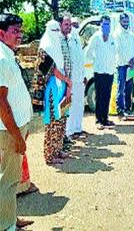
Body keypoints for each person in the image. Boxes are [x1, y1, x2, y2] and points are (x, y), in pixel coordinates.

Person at [0, 14, 34, 230]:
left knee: (11, 179)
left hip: (17, 127)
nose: (20, 35)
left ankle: (10, 217)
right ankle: (6, 225)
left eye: (21, 31)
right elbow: (1, 103)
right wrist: (17, 136)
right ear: (1, 33)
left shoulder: (7, 54)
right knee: (8, 180)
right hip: (10, 131)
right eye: (15, 31)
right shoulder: (2, 59)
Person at [37, 17, 72, 165]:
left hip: (62, 85)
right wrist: (66, 80)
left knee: (61, 118)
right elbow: (53, 70)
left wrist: (66, 83)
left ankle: (58, 149)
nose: (57, 33)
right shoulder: (45, 46)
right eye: (54, 30)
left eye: (57, 30)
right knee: (53, 120)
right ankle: (50, 155)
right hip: (52, 87)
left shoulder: (56, 44)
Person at [85, 15, 116, 129]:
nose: (106, 26)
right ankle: (98, 120)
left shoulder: (112, 38)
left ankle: (105, 118)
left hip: (109, 71)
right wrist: (96, 60)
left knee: (107, 95)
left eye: (108, 24)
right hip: (99, 71)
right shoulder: (96, 37)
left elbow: (115, 52)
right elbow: (88, 53)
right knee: (99, 95)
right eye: (104, 24)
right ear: (100, 24)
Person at [66, 17, 87, 140]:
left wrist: (84, 75)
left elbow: (81, 60)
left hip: (79, 78)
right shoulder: (67, 39)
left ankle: (78, 128)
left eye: (76, 24)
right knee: (72, 106)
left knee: (80, 104)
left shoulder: (78, 39)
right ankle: (70, 131)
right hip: (72, 78)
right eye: (73, 24)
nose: (75, 27)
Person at [113, 13, 134, 120]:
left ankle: (128, 109)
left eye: (127, 21)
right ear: (120, 22)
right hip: (122, 65)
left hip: (130, 66)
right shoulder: (116, 35)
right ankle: (120, 111)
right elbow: (118, 50)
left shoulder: (131, 35)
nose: (126, 23)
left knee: (129, 88)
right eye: (124, 21)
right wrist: (128, 61)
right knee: (121, 88)